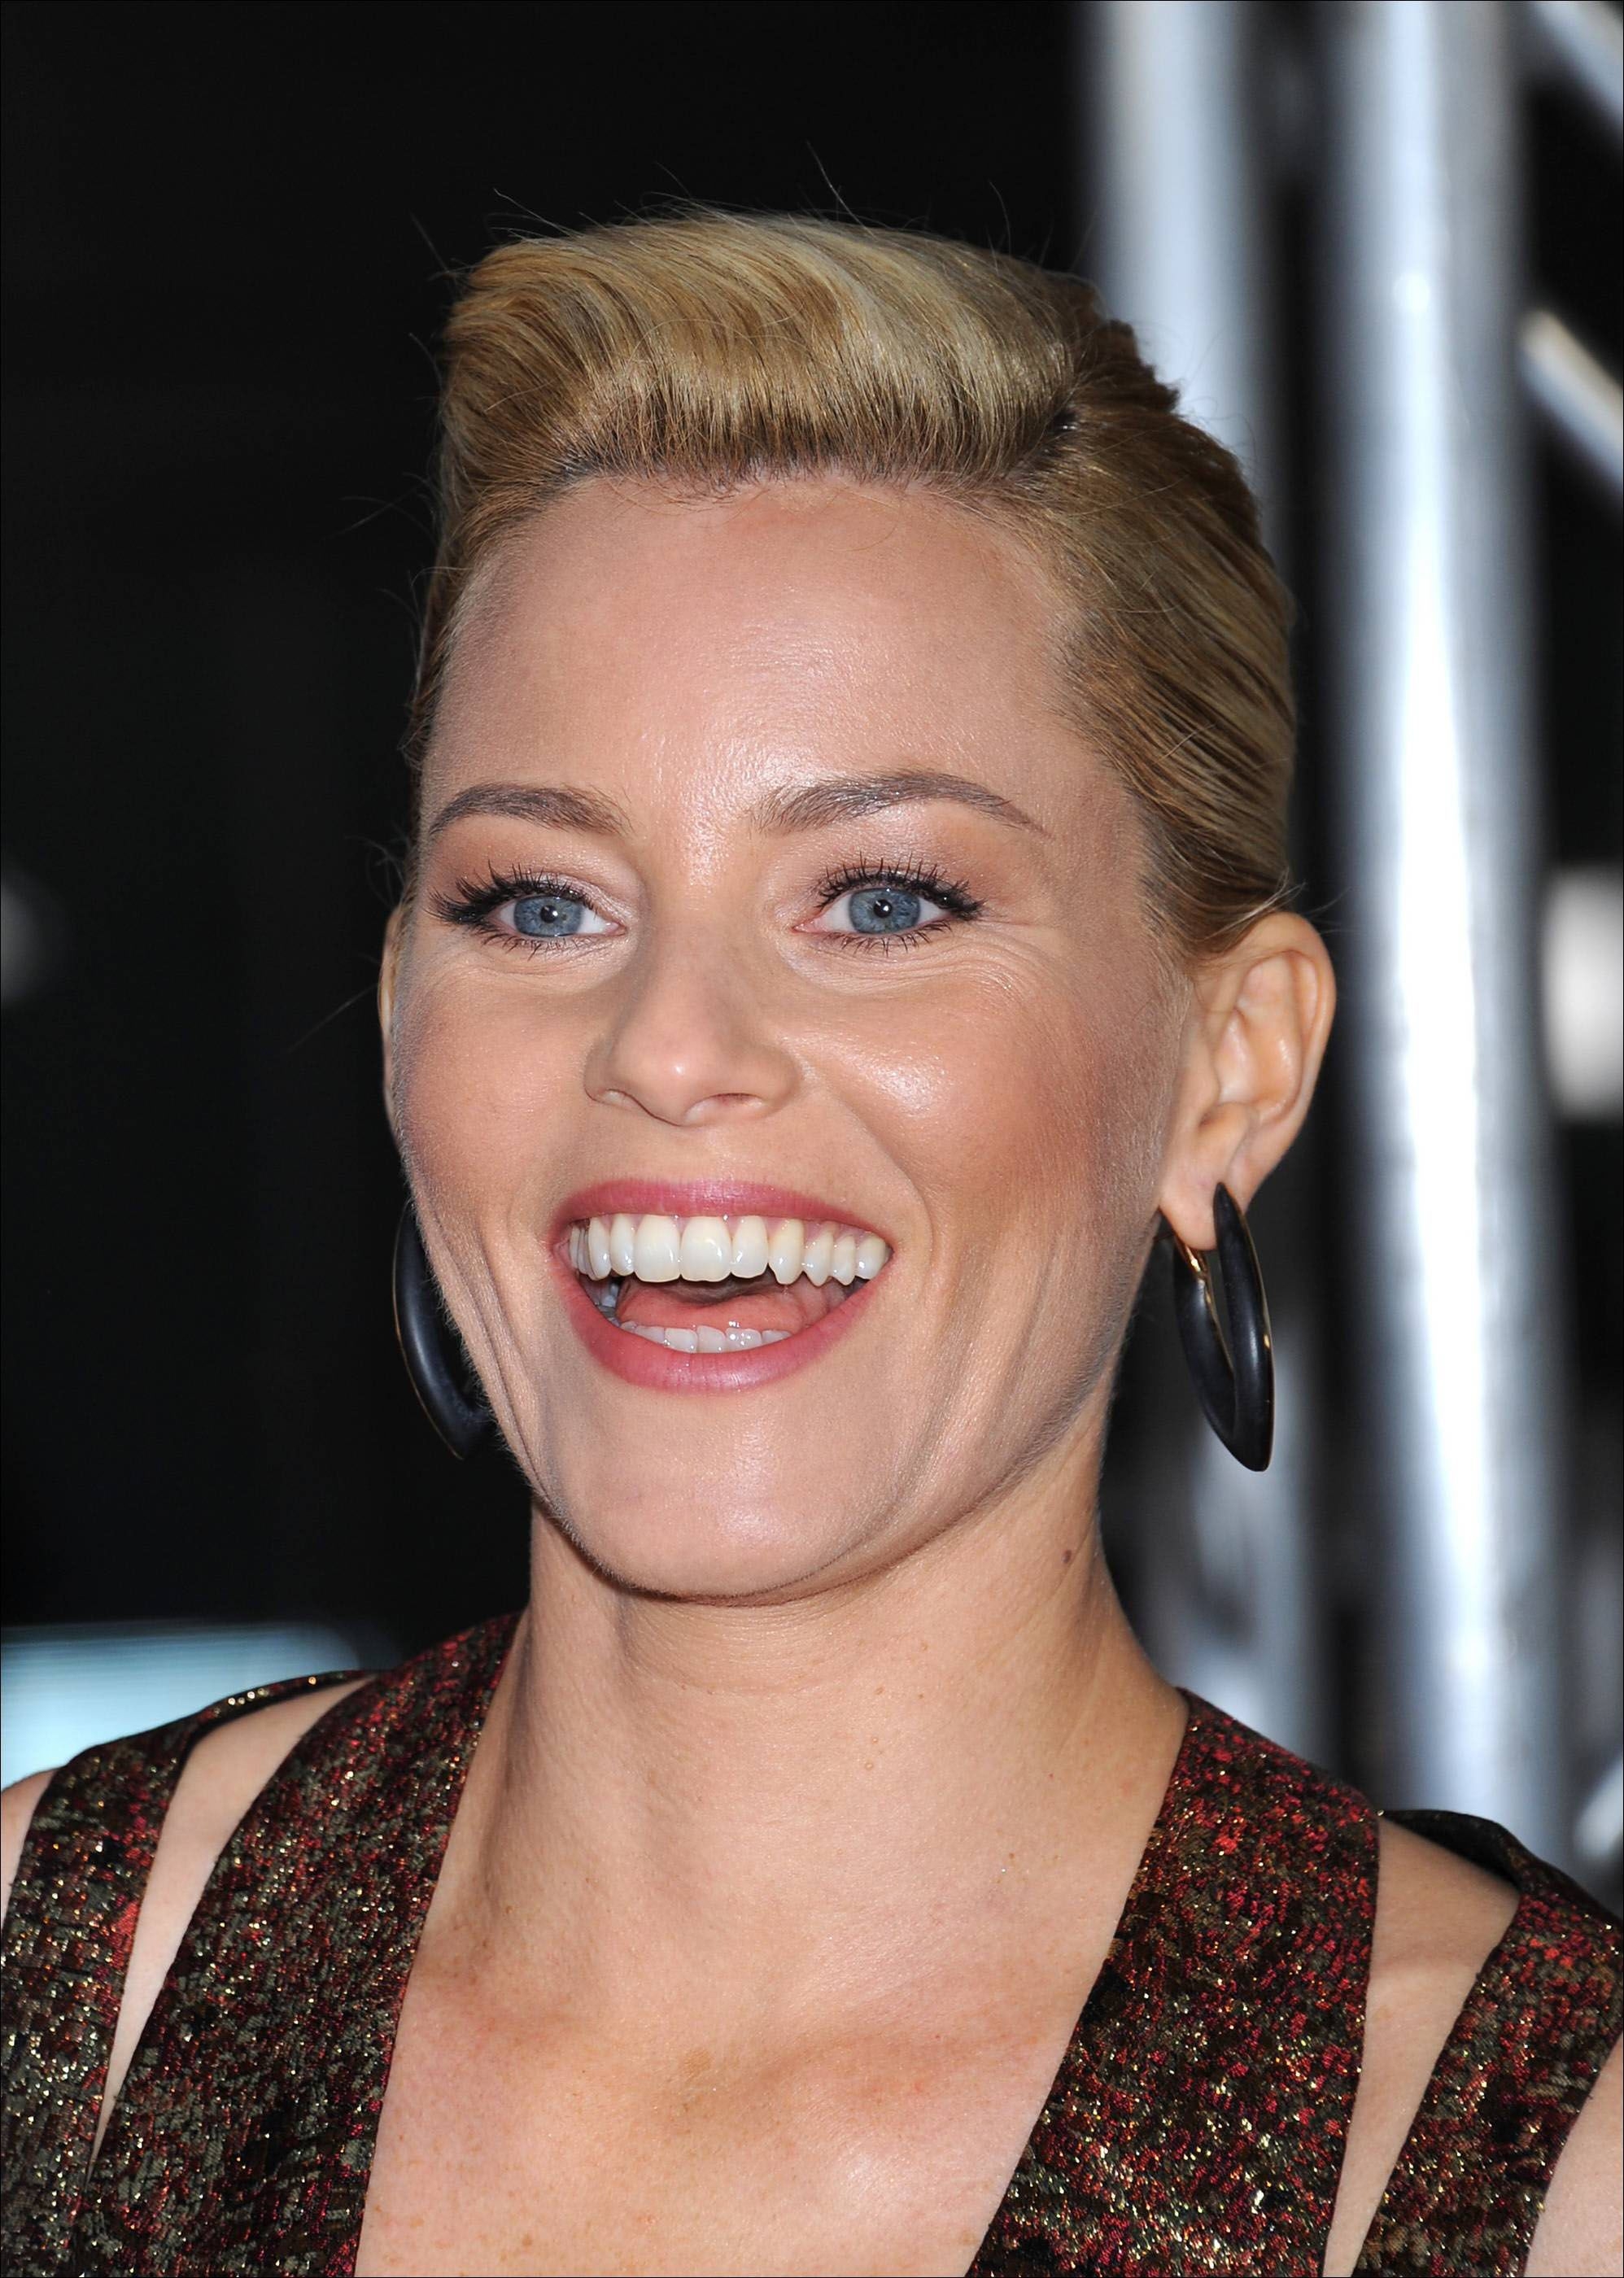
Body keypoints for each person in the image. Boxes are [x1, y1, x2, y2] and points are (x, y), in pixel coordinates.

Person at [2, 211, 1618, 2278]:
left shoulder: (1537, 2169)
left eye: (880, 901)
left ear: (1226, 1070)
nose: (668, 1047)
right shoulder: (56, 1997)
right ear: (405, 1017)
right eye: (539, 903)